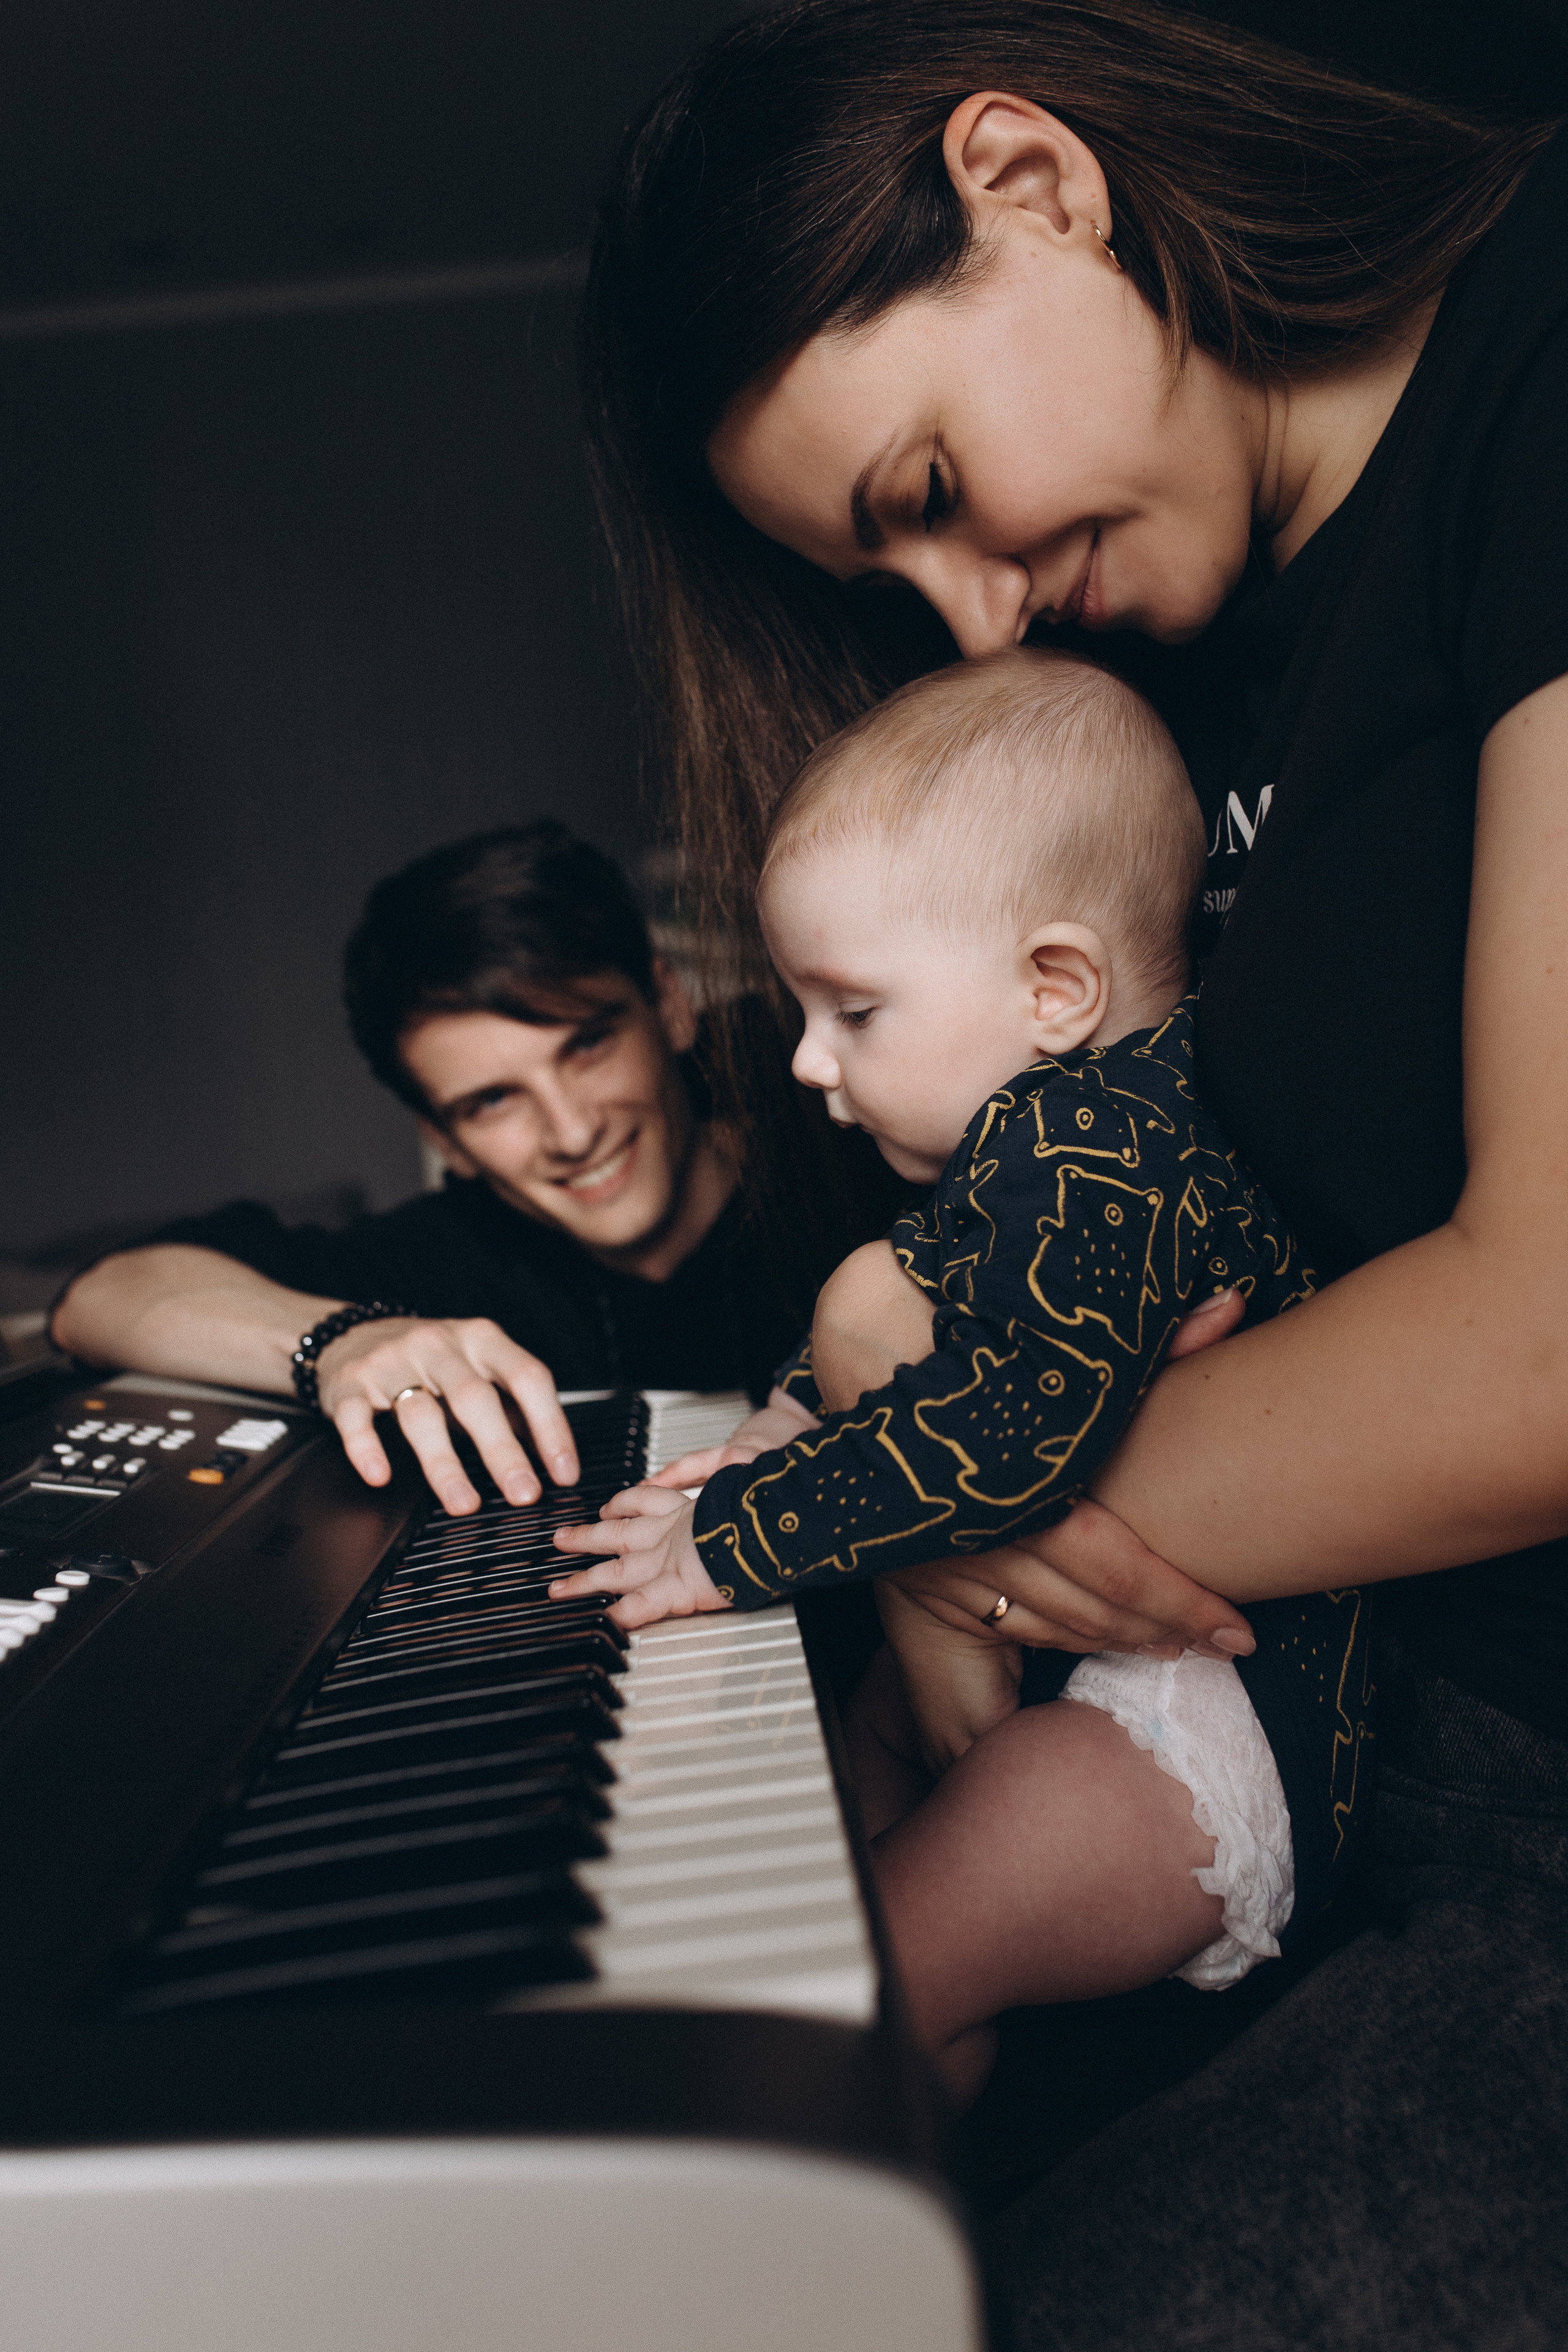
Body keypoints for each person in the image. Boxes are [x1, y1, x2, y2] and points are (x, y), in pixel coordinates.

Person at [581, 4, 1568, 2343]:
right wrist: (867, 1346)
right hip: (1289, 1713)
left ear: (1029, 177)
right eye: (884, 576)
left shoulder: (1534, 372)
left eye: (923, 486)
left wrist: (948, 1502)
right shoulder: (1169, 657)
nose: (969, 612)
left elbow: (1539, 1342)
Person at [552, 647, 1371, 2100]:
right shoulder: (1044, 1135)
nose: (808, 1062)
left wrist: (734, 1535)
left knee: (868, 1980)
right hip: (1088, 1667)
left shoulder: (1095, 1151)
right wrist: (774, 1427)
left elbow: (1003, 1429)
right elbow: (923, 1326)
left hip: (1186, 1729)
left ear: (1054, 984)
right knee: (826, 1849)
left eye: (849, 1012)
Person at [51, 823, 829, 1512]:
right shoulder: (441, 1259)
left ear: (669, 1005)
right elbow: (98, 1299)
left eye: (587, 1045)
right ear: (443, 1137)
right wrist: (339, 1342)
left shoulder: (848, 1168)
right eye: (493, 1100)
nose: (572, 1132)